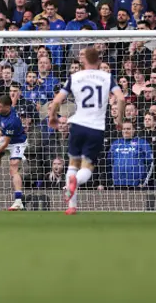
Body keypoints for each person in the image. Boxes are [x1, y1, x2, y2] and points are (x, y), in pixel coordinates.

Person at [48, 47, 126, 215]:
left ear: (83, 61)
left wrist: (52, 117)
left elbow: (56, 101)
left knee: (73, 163)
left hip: (77, 126)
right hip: (96, 128)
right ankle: (75, 182)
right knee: (87, 167)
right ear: (99, 61)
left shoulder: (74, 77)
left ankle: (71, 206)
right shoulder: (107, 77)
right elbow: (121, 98)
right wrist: (119, 119)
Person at [0, 94, 28, 211]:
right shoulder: (2, 111)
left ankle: (18, 201)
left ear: (7, 107)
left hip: (17, 142)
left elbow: (5, 145)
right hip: (7, 138)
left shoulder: (12, 121)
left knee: (13, 167)